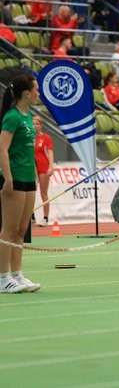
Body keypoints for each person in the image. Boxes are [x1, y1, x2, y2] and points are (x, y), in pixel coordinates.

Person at [0, 74, 41, 293]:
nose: (38, 93)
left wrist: (34, 174)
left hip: (27, 178)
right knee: (9, 229)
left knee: (21, 230)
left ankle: (17, 274)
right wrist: (7, 177)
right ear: (27, 93)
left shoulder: (28, 116)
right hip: (14, 178)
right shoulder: (12, 117)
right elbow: (2, 148)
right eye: (36, 90)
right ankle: (2, 278)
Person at [32, 116, 54, 227]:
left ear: (41, 125)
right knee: (30, 192)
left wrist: (51, 167)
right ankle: (32, 217)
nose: (34, 126)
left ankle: (45, 218)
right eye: (33, 124)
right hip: (32, 168)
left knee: (43, 193)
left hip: (43, 168)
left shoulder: (46, 138)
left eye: (37, 124)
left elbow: (50, 153)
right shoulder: (29, 138)